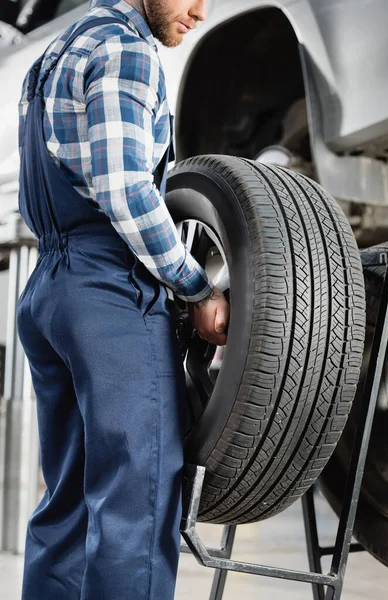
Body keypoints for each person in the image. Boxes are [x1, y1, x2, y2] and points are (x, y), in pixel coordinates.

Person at [16, 1, 230, 598]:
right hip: (109, 295)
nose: (201, 10)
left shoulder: (56, 53)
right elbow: (126, 187)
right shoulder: (125, 48)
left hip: (51, 289)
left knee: (69, 506)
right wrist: (196, 286)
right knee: (135, 509)